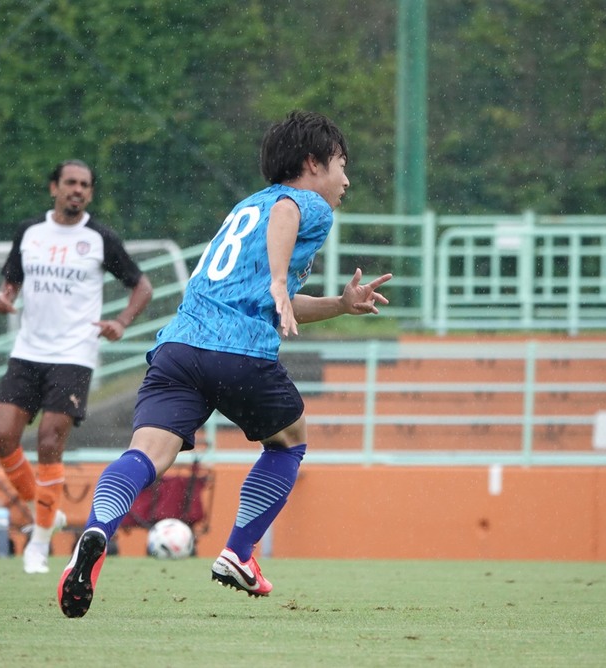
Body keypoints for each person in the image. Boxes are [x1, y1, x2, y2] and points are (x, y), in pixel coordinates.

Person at [57, 111, 392, 618]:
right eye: (342, 165)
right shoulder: (304, 203)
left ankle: (99, 527)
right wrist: (280, 279)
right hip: (238, 353)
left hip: (178, 349)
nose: (345, 179)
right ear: (311, 164)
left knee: (147, 452)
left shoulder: (245, 208)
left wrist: (340, 305)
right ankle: (238, 552)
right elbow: (286, 221)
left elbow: (274, 298)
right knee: (290, 439)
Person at [0, 159, 153, 575]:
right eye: (70, 183)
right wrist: (4, 298)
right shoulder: (30, 233)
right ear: (54, 188)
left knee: (48, 440)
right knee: (1, 437)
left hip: (74, 354)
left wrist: (121, 322)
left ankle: (39, 543)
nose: (76, 190)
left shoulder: (99, 238)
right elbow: (12, 281)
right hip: (28, 351)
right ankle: (45, 511)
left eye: (84, 185)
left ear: (90, 194)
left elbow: (142, 285)